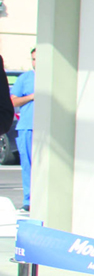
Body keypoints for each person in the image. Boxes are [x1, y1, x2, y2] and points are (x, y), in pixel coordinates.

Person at [11, 47, 35, 213]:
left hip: (47, 130)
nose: (36, 62)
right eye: (33, 59)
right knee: (28, 165)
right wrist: (32, 96)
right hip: (27, 127)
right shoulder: (25, 79)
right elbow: (14, 101)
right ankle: (28, 200)